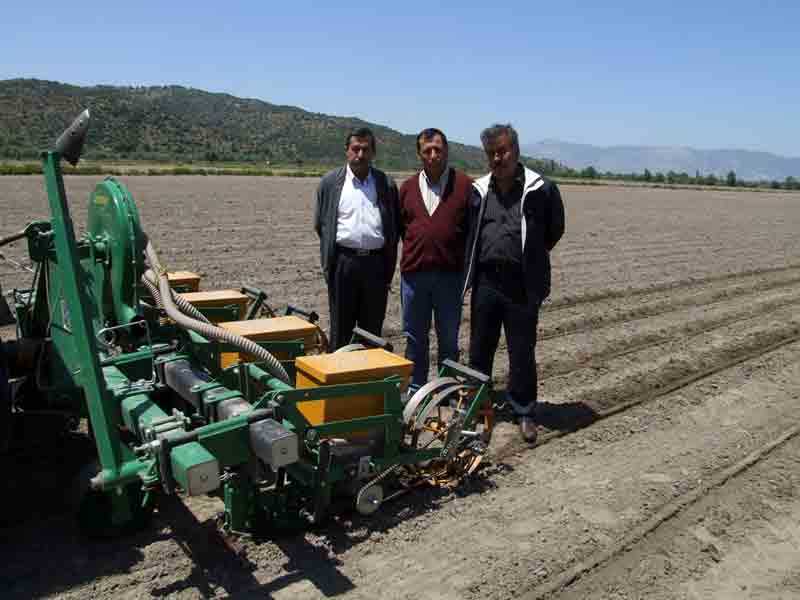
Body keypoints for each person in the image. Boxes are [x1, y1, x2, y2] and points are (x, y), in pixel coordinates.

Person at [463, 124, 565, 443]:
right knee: (480, 349)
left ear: (516, 151)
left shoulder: (541, 188)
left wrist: (530, 256)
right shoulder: (479, 190)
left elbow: (554, 230)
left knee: (522, 351)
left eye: (503, 150)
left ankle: (524, 411)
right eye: (492, 153)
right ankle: (479, 411)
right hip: (486, 282)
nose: (498, 157)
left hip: (522, 284)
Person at [398, 128, 472, 396]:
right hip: (414, 277)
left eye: (438, 149)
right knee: (415, 338)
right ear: (419, 154)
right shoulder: (406, 189)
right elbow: (400, 229)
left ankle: (447, 389)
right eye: (427, 150)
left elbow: (473, 231)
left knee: (448, 339)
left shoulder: (464, 186)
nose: (433, 155)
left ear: (447, 151)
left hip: (449, 278)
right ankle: (417, 390)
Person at [314, 127, 400, 350]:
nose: (360, 155)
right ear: (347, 151)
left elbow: (393, 227)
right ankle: (341, 380)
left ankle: (367, 381)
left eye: (366, 149)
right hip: (344, 263)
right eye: (355, 149)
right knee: (341, 329)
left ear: (373, 153)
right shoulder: (330, 183)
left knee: (371, 331)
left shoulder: (386, 184)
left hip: (375, 265)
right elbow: (321, 225)